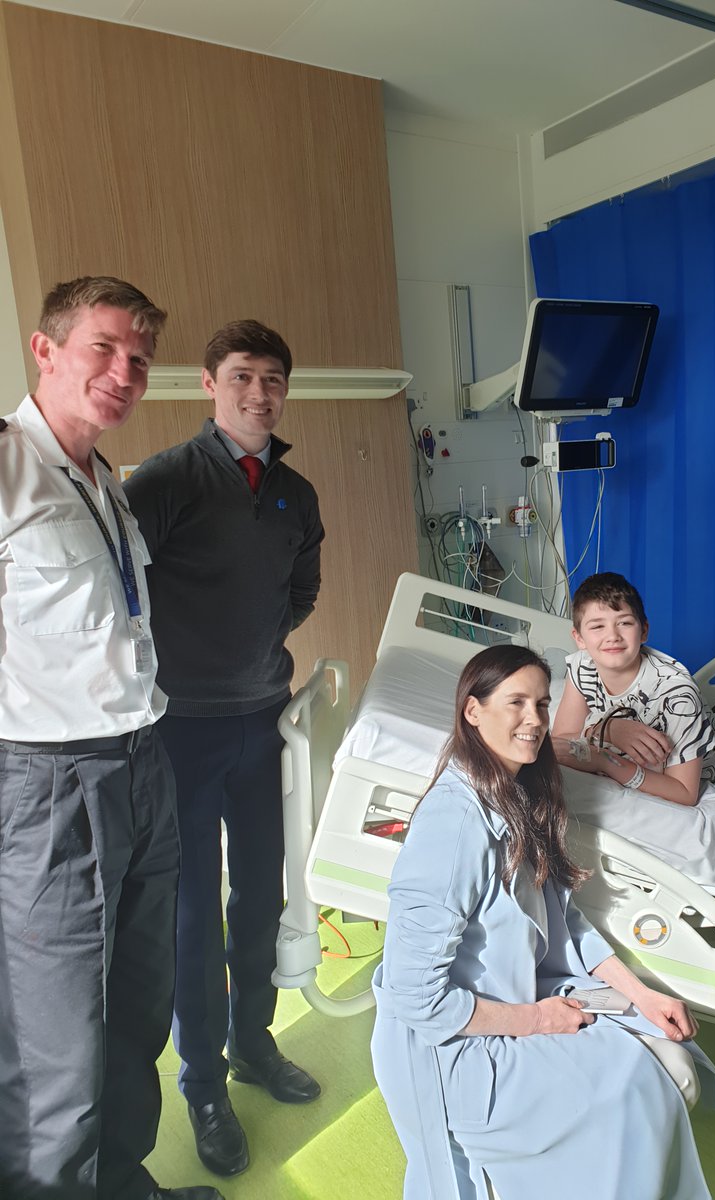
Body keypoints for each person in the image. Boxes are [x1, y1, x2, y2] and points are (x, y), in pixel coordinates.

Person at [0, 276, 222, 1200]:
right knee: (58, 1039)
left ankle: (124, 1181)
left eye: (140, 358)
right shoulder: (10, 466)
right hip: (49, 782)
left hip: (141, 762)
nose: (125, 371)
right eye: (105, 347)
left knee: (139, 1003)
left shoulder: (108, 484)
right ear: (46, 351)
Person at [371, 644, 715, 1200]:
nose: (535, 721)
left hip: (522, 999)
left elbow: (566, 921)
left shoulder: (519, 794)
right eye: (515, 703)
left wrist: (643, 995)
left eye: (542, 703)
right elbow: (415, 999)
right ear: (473, 710)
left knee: (671, 1061)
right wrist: (538, 1021)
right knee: (652, 1085)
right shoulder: (454, 824)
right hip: (455, 1049)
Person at [124, 320, 325, 1179]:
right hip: (178, 729)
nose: (259, 392)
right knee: (192, 915)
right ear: (209, 384)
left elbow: (301, 591)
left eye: (273, 378)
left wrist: (252, 655)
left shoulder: (296, 492)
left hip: (261, 721)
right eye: (242, 376)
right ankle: (202, 1082)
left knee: (259, 897)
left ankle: (254, 1045)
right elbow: (120, 591)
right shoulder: (166, 480)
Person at [552, 572, 715, 806]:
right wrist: (608, 730)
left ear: (644, 631)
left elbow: (684, 793)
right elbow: (562, 740)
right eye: (597, 626)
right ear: (579, 638)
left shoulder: (677, 692)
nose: (613, 636)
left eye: (625, 623)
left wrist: (606, 761)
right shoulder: (583, 664)